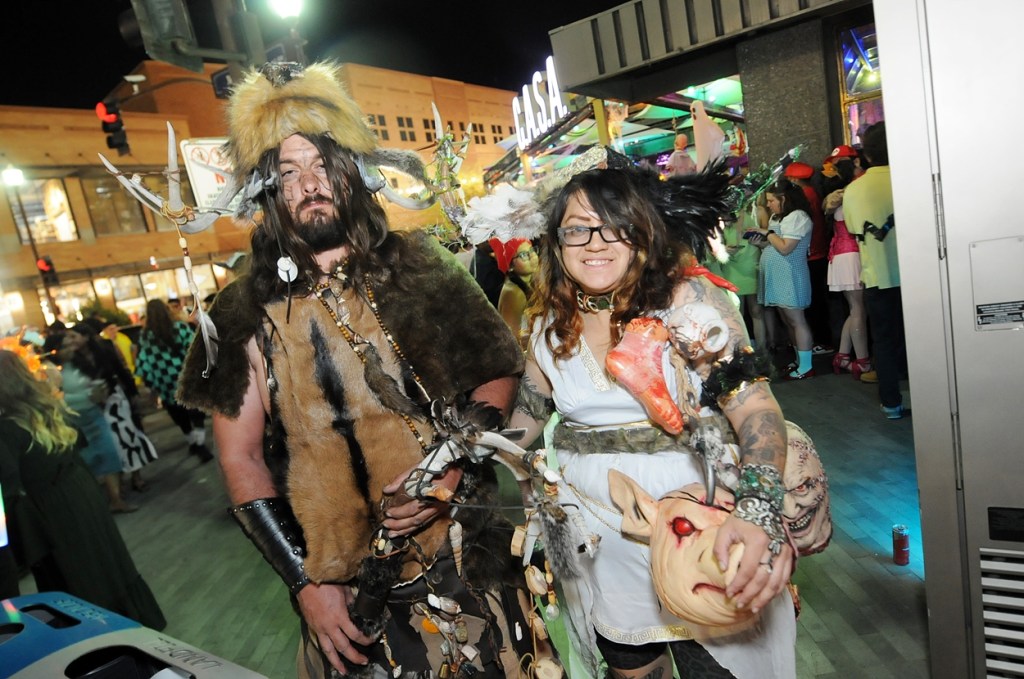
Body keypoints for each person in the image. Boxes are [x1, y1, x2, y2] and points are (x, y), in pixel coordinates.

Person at [174, 62, 550, 678]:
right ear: (269, 191)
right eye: (288, 172)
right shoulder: (240, 308)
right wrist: (303, 581)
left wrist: (450, 467)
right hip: (344, 593)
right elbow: (239, 456)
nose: (309, 184)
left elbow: (497, 370)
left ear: (350, 171)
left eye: (322, 164)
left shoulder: (419, 264)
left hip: (462, 558)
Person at [508, 163, 796, 678]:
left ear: (642, 233)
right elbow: (526, 416)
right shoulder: (548, 322)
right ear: (556, 239)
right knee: (631, 672)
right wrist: (458, 448)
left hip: (702, 532)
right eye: (577, 228)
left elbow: (755, 409)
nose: (594, 242)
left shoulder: (689, 303)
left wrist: (758, 511)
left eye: (614, 225)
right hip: (601, 544)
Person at [0, 349, 166, 629]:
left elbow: (10, 488)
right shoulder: (45, 407)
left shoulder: (7, 427)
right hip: (81, 494)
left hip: (54, 511)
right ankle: (132, 626)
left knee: (78, 579)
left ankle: (104, 639)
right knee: (108, 566)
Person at [842, 122, 908, 419]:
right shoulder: (911, 178)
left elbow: (856, 230)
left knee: (884, 339)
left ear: (866, 155)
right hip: (918, 274)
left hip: (879, 276)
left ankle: (892, 403)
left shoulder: (854, 189)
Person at [750, 178, 816, 379]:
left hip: (791, 274)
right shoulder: (779, 218)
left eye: (771, 200)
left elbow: (786, 247)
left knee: (797, 320)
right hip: (778, 275)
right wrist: (761, 243)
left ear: (784, 198)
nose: (768, 205)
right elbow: (776, 245)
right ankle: (798, 361)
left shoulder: (798, 217)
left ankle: (806, 366)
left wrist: (767, 233)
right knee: (788, 321)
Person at [135, 299, 213, 462]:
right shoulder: (179, 327)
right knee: (195, 411)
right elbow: (194, 348)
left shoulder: (145, 335)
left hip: (164, 380)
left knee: (178, 413)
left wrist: (150, 384)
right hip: (183, 375)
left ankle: (192, 442)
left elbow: (143, 361)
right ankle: (199, 445)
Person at [822, 154, 873, 381]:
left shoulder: (834, 197)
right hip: (851, 254)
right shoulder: (849, 194)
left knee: (854, 309)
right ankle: (862, 361)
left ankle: (843, 355)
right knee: (858, 310)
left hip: (840, 255)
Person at [783, 161, 833, 354]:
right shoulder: (813, 192)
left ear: (795, 179)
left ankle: (822, 341)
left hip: (812, 254)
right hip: (817, 252)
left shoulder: (805, 196)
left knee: (815, 304)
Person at [489, 236, 538, 339]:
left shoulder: (529, 281)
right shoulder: (514, 293)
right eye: (523, 255)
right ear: (510, 266)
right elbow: (512, 338)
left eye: (531, 250)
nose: (532, 256)